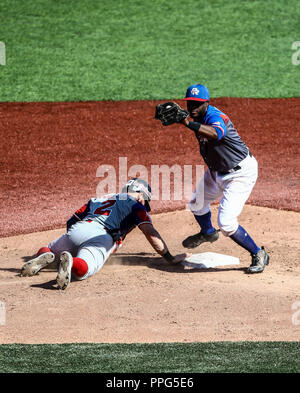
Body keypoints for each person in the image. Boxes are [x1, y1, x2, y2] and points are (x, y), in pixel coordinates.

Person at [21, 178, 189, 289]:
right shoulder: (136, 204)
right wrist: (169, 257)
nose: (144, 205)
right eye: (145, 201)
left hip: (79, 228)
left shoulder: (99, 199)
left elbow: (72, 221)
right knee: (84, 269)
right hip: (102, 237)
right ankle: (72, 262)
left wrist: (74, 239)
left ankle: (47, 256)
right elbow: (150, 233)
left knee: (50, 249)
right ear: (141, 195)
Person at [178, 84, 269, 273]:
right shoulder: (196, 116)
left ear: (206, 103)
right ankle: (208, 233)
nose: (193, 107)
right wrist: (183, 118)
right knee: (196, 203)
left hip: (239, 173)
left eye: (197, 104)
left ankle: (258, 253)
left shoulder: (215, 116)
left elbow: (215, 133)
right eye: (190, 104)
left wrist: (186, 122)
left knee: (226, 223)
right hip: (216, 172)